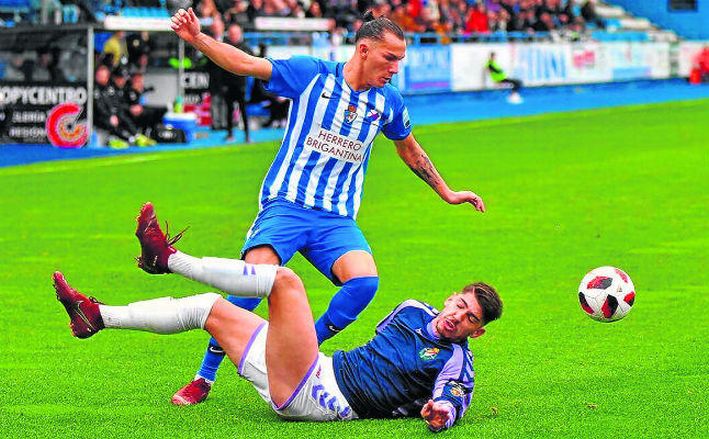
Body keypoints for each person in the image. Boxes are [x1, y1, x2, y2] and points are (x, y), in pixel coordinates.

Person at [167, 7, 487, 405]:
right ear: (364, 50)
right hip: (287, 204)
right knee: (256, 279)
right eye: (390, 59)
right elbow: (246, 63)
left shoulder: (388, 102)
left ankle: (303, 353)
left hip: (335, 219)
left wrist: (447, 191)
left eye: (400, 61)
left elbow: (409, 148)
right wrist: (198, 39)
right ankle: (205, 377)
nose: (395, 69)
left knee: (364, 282)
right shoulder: (311, 74)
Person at [52, 203, 503, 432]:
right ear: (449, 300)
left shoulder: (456, 362)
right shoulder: (410, 310)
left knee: (285, 282)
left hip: (326, 398)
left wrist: (440, 412)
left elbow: (452, 400)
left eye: (468, 320)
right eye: (459, 306)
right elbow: (376, 356)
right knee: (208, 308)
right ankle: (97, 317)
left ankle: (168, 260)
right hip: (315, 371)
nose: (457, 319)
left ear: (476, 332)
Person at [223, 22, 253, 143]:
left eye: (236, 33)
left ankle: (247, 135)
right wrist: (223, 84)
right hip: (229, 84)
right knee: (229, 110)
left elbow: (254, 65)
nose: (233, 35)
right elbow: (221, 67)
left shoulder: (246, 48)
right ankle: (230, 134)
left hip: (241, 84)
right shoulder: (225, 47)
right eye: (232, 33)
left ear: (240, 34)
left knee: (244, 110)